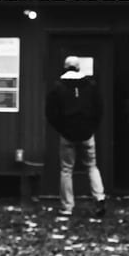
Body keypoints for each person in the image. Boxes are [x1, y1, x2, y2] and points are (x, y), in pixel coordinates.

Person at [45, 56, 108, 217]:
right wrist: (92, 127)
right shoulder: (90, 85)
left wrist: (61, 129)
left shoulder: (57, 87)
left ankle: (67, 206)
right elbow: (99, 108)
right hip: (87, 133)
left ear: (65, 67)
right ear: (78, 68)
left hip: (67, 134)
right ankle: (99, 198)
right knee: (92, 166)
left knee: (66, 170)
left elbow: (51, 113)